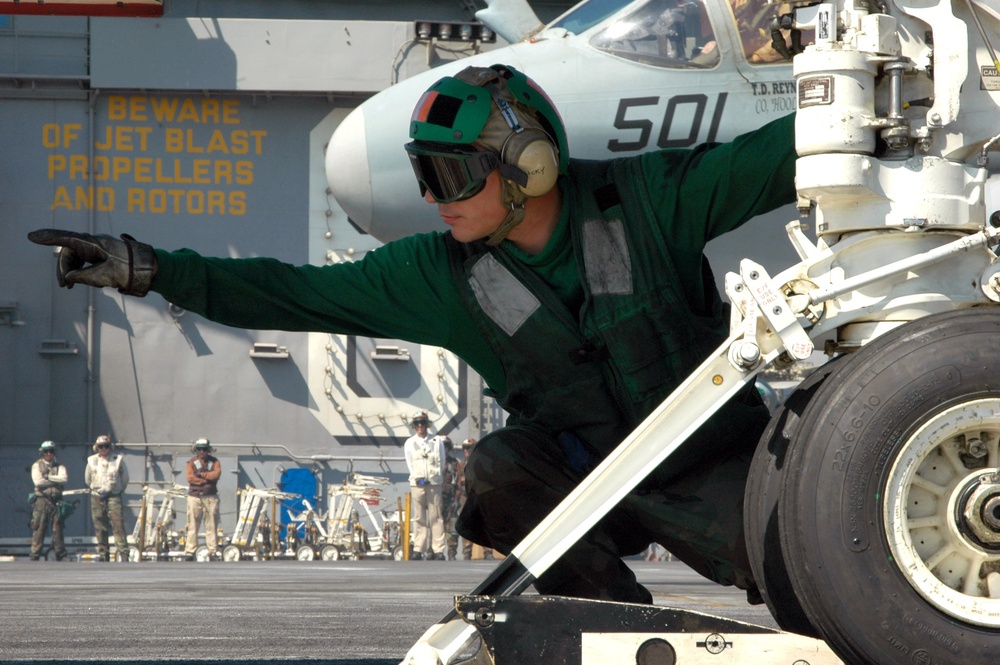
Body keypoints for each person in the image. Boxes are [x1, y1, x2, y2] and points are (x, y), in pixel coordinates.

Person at [28, 63, 796, 602]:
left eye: (452, 177)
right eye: (425, 175)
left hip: (711, 471)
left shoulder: (653, 202)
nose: (435, 200)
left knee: (821, 587)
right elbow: (294, 292)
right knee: (498, 466)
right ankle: (611, 625)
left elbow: (779, 156)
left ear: (526, 163)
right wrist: (146, 269)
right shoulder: (439, 275)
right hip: (586, 485)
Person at [403, 412, 447, 560]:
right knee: (419, 517)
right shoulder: (410, 443)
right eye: (417, 424)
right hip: (417, 484)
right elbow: (409, 463)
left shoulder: (437, 441)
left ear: (427, 424)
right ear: (414, 426)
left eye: (422, 423)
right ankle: (418, 548)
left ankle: (438, 549)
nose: (420, 426)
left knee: (436, 516)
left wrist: (433, 476)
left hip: (434, 483)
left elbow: (442, 460)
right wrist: (418, 477)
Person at [84, 434, 130, 562]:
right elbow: (87, 479)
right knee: (99, 525)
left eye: (106, 446)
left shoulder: (118, 459)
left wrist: (118, 490)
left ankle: (123, 553)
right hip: (97, 496)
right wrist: (96, 490)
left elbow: (125, 478)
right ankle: (103, 553)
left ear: (110, 447)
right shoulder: (91, 460)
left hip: (113, 496)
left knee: (118, 524)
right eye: (101, 447)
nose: (104, 449)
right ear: (96, 447)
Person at [30, 440, 69, 561]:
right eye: (46, 451)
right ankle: (35, 554)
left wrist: (47, 477)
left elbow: (64, 479)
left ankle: (60, 554)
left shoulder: (60, 466)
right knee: (39, 528)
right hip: (41, 501)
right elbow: (38, 482)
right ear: (42, 452)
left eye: (51, 451)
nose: (49, 454)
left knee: (58, 529)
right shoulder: (36, 466)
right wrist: (54, 480)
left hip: (57, 501)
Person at [184, 438, 222, 560]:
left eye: (204, 449)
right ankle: (190, 551)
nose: (202, 452)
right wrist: (206, 481)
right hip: (195, 497)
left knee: (211, 525)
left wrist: (202, 475)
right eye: (199, 449)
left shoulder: (215, 462)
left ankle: (212, 551)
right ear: (196, 450)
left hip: (210, 497)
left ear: (208, 450)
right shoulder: (191, 463)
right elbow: (190, 478)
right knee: (193, 525)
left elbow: (216, 474)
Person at [439, 436, 461, 560]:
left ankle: (452, 552)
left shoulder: (454, 463)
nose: (444, 448)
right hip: (437, 500)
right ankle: (436, 551)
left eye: (446, 446)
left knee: (452, 527)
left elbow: (458, 482)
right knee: (436, 527)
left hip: (450, 499)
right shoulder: (435, 462)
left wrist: (456, 500)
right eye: (442, 446)